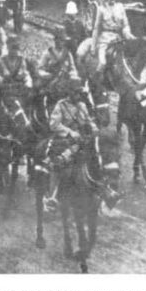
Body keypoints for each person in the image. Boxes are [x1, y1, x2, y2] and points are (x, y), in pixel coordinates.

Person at [42, 79, 101, 210]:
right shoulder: (61, 106)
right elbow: (54, 125)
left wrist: (94, 128)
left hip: (81, 139)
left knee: (97, 157)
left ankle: (102, 189)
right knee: (59, 164)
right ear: (69, 94)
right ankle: (52, 197)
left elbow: (88, 120)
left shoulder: (82, 105)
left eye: (80, 93)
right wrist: (70, 132)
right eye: (76, 93)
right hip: (64, 140)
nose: (79, 96)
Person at [91, 0, 135, 76]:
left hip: (118, 38)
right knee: (102, 62)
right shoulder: (101, 9)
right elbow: (96, 28)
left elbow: (125, 24)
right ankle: (95, 80)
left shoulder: (120, 7)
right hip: (105, 39)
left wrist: (128, 33)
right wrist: (93, 46)